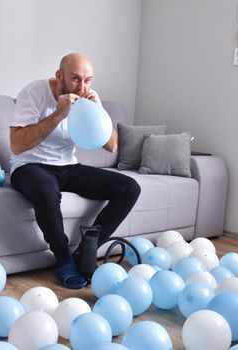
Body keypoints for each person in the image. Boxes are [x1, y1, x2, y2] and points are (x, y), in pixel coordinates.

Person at [9, 53, 141, 289]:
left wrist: (97, 108)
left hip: (68, 166)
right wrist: (59, 114)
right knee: (46, 189)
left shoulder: (89, 98)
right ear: (59, 76)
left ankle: (83, 254)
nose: (82, 87)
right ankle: (63, 259)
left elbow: (111, 146)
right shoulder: (34, 92)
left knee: (129, 188)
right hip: (29, 166)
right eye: (75, 79)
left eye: (88, 80)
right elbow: (17, 145)